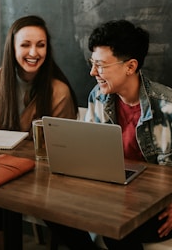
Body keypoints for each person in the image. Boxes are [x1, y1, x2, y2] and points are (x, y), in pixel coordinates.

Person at [0, 15, 97, 250]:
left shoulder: (58, 91)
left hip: (43, 182)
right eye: (25, 45)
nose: (34, 52)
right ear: (13, 48)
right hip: (1, 173)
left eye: (40, 45)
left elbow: (62, 151)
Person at [85, 19, 172, 249]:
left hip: (157, 206)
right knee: (56, 212)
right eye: (92, 63)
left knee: (117, 223)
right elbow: (89, 154)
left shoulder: (167, 106)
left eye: (101, 65)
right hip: (113, 197)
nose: (93, 72)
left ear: (130, 67)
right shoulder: (98, 97)